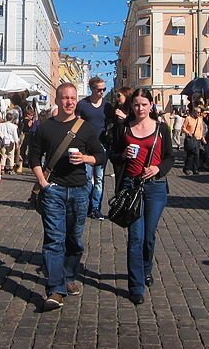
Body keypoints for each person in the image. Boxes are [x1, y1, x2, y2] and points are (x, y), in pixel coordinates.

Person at [30, 83, 106, 311]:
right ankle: (55, 289)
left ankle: (69, 275)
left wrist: (86, 159)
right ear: (57, 99)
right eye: (65, 98)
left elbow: (101, 155)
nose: (69, 102)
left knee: (74, 240)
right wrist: (43, 183)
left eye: (72, 98)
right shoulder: (46, 127)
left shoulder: (85, 128)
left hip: (80, 190)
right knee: (54, 240)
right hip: (53, 190)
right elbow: (33, 156)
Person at [110, 88, 173, 305]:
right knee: (135, 237)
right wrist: (122, 155)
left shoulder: (162, 129)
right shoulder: (124, 128)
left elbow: (170, 158)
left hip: (155, 187)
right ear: (131, 106)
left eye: (144, 104)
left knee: (149, 235)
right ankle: (136, 286)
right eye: (136, 104)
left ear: (151, 105)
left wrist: (158, 169)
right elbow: (113, 154)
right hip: (132, 185)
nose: (140, 108)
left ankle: (146, 269)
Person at [75, 77, 114, 221]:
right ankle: (84, 205)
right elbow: (77, 124)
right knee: (85, 177)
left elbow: (110, 124)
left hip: (102, 146)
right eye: (99, 89)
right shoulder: (82, 104)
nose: (102, 92)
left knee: (99, 178)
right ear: (92, 89)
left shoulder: (107, 106)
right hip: (85, 145)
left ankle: (95, 207)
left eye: (104, 89)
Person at [181, 106, 205, 175]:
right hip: (191, 138)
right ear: (194, 112)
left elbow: (201, 128)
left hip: (198, 139)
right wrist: (188, 133)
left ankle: (195, 169)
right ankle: (186, 168)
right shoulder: (188, 118)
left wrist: (201, 136)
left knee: (197, 155)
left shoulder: (199, 119)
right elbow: (183, 128)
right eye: (197, 112)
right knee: (190, 154)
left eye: (200, 112)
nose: (199, 114)